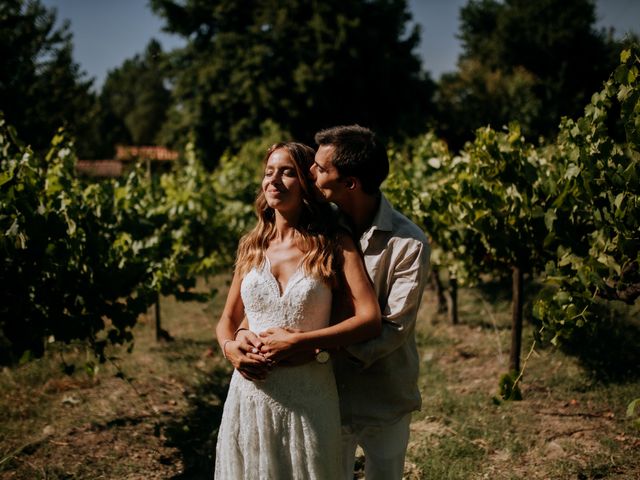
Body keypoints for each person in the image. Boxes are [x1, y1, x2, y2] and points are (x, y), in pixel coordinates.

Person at [260, 125, 431, 480]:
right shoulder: (315, 229)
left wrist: (315, 350)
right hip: (323, 392)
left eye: (320, 169)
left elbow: (393, 328)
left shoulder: (408, 243)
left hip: (383, 393)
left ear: (349, 183)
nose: (310, 172)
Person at [214, 141, 381, 479]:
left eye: (287, 172)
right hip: (250, 393)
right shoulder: (252, 244)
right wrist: (231, 349)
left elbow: (369, 319)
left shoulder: (333, 243)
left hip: (308, 394)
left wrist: (303, 342)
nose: (273, 180)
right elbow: (227, 321)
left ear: (306, 185)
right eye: (269, 172)